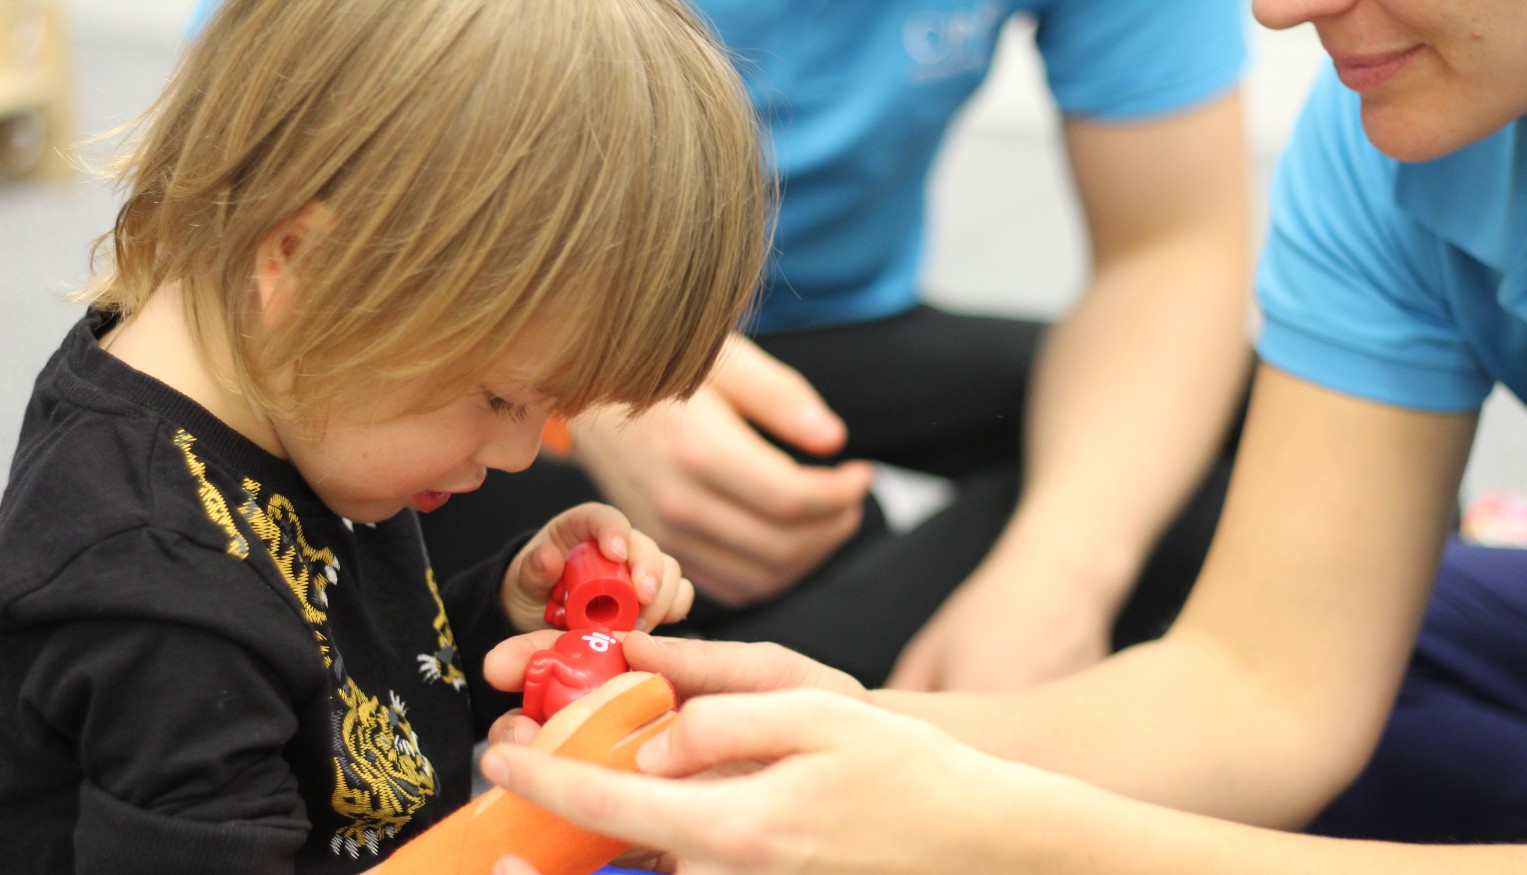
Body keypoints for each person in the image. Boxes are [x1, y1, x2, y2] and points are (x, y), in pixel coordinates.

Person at [471, 1, 1527, 875]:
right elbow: (1264, 682)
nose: (1275, 14)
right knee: (1393, 639)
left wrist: (1018, 862)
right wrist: (801, 745)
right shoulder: (1381, 135)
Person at [0, 2, 945, 875]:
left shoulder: (281, 409)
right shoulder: (153, 582)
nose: (515, 448)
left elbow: (307, 675)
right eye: (500, 397)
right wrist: (548, 822)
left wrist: (496, 610)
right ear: (302, 266)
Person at [416, 0, 1255, 690]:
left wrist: (1058, 578)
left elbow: (1172, 250)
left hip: (834, 338)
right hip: (528, 316)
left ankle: (761, 692)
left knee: (1245, 435)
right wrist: (593, 388)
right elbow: (356, 177)